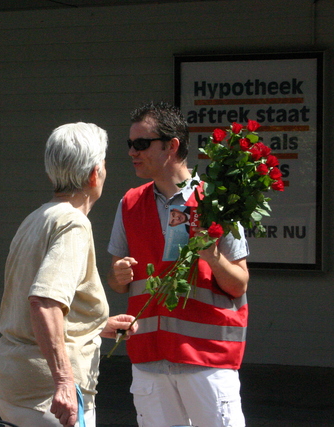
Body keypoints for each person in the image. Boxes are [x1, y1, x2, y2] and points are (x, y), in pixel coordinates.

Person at [107, 101, 250, 427]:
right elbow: (118, 281)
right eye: (130, 144)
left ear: (171, 146)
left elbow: (239, 284)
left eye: (141, 144)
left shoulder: (215, 200)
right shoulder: (129, 203)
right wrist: (117, 276)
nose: (132, 152)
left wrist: (212, 256)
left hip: (207, 360)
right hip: (149, 361)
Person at [0, 122, 138, 427]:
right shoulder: (73, 224)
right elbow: (44, 302)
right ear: (95, 173)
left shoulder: (37, 217)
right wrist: (64, 382)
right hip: (46, 394)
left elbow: (35, 299)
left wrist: (96, 324)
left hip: (12, 381)